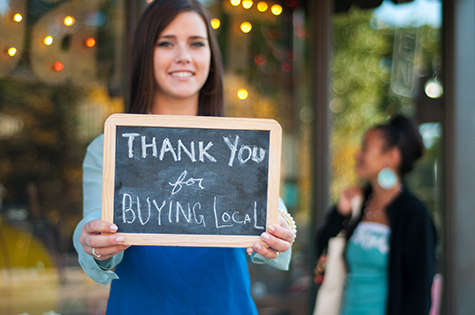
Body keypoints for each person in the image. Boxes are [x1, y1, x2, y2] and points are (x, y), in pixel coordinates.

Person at [72, 0, 296, 314]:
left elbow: (273, 215)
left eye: (196, 43)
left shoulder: (239, 144)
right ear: (145, 54)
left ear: (211, 58)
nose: (183, 57)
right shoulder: (109, 147)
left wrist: (282, 231)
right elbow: (97, 240)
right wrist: (96, 244)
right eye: (166, 43)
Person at [315, 116, 437, 315]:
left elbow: (419, 295)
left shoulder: (414, 214)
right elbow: (321, 252)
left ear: (391, 157)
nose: (357, 154)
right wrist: (340, 214)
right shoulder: (357, 205)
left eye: (365, 148)